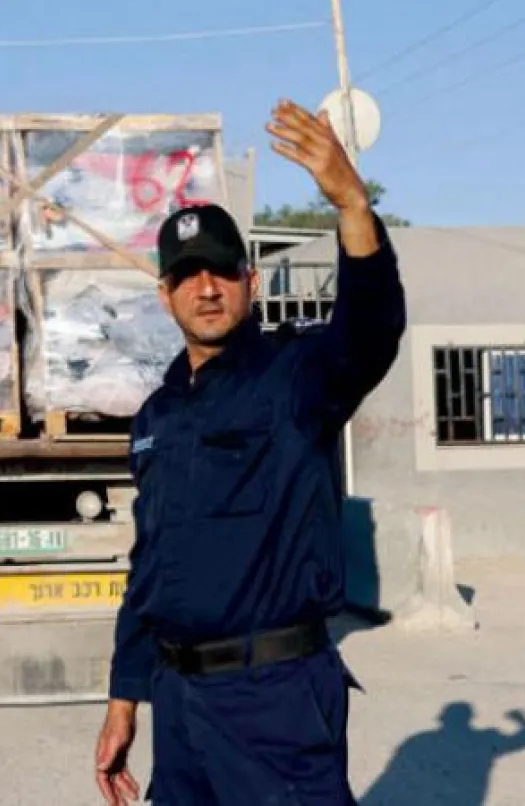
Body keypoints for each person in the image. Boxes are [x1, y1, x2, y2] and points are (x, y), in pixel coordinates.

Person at [93, 99, 408, 805]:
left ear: (251, 280)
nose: (207, 287)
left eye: (223, 271)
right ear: (165, 294)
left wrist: (351, 205)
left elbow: (371, 331)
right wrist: (125, 698)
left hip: (276, 705)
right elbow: (151, 568)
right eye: (188, 275)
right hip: (180, 711)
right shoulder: (157, 418)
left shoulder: (296, 381)